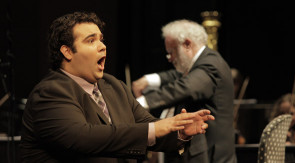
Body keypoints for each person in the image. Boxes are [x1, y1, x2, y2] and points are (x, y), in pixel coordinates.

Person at [19, 12, 215, 163]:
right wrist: (154, 128)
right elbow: (83, 138)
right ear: (68, 51)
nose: (103, 46)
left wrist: (180, 131)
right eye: (91, 40)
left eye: (101, 39)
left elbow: (150, 128)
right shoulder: (50, 92)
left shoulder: (114, 85)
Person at [132, 19, 236, 163]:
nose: (170, 59)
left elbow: (185, 87)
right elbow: (176, 74)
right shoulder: (201, 63)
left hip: (211, 157)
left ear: (187, 44)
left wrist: (139, 104)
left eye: (171, 52)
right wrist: (149, 80)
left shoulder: (211, 65)